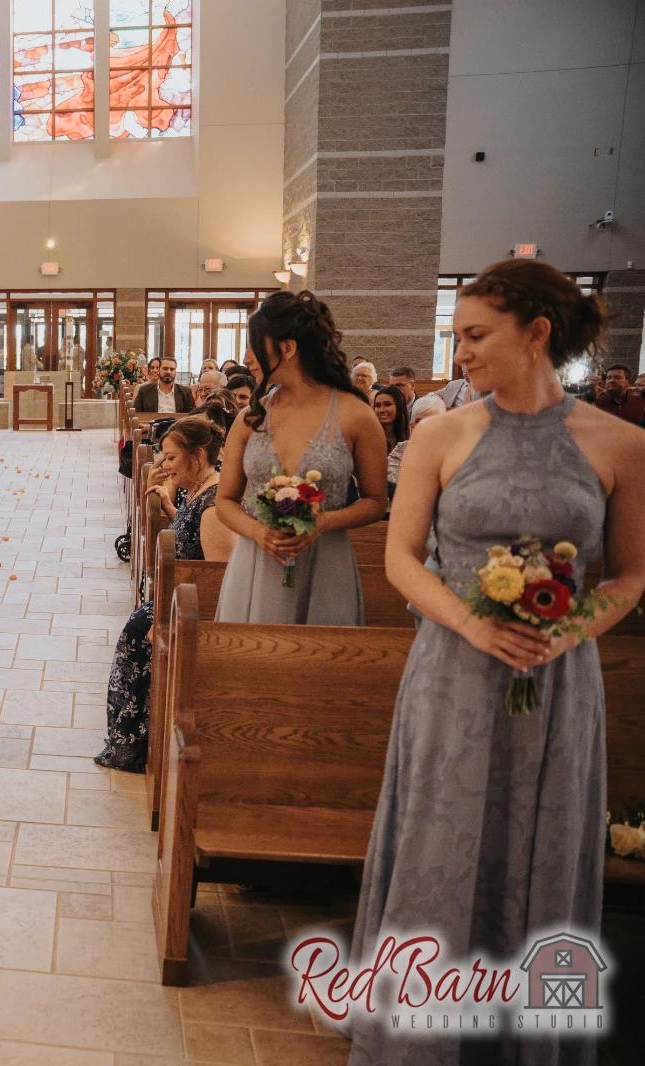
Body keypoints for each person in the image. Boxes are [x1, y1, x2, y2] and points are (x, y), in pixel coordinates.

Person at [348, 259, 645, 1064]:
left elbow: (630, 575)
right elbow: (403, 560)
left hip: (558, 683)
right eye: (458, 334)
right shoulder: (441, 432)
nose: (461, 350)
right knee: (439, 849)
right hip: (453, 674)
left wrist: (575, 625)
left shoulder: (621, 443)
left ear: (537, 334)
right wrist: (473, 624)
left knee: (542, 848)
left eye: (476, 334)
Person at [213, 291, 388, 624]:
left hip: (326, 563)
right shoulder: (251, 417)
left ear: (287, 348)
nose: (247, 358)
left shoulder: (355, 416)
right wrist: (257, 532)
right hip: (256, 563)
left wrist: (322, 522)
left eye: (253, 345)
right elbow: (224, 501)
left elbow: (376, 501)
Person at [95, 415, 236, 771]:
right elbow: (191, 544)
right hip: (170, 605)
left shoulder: (215, 508)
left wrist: (169, 624)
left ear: (199, 456)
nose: (164, 465)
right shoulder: (201, 493)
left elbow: (218, 579)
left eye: (171, 457)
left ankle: (137, 747)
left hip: (185, 617)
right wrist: (170, 502)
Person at [386, 392, 445, 489]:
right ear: (411, 424)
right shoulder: (402, 448)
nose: (423, 425)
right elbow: (392, 482)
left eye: (431, 420)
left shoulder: (451, 450)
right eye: (418, 421)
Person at [371, 384, 410, 453]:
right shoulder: (370, 437)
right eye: (377, 406)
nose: (381, 410)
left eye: (387, 404)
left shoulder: (412, 436)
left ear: (399, 407)